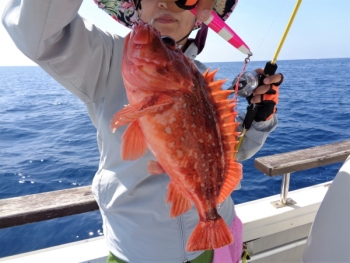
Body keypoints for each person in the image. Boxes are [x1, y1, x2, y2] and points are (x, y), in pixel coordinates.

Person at [2, 0, 282, 262]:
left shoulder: (203, 79)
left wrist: (260, 120)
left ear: (200, 12)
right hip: (139, 252)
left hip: (220, 237)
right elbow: (33, 31)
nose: (165, 2)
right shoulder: (105, 58)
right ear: (135, 5)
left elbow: (231, 155)